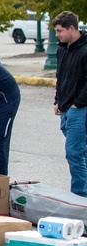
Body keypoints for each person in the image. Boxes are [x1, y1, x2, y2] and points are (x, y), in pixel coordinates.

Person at [53, 11, 87, 197]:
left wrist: (77, 104)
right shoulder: (62, 49)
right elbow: (60, 77)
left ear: (71, 28)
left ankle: (79, 197)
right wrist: (58, 100)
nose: (57, 35)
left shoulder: (84, 50)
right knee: (81, 152)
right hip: (65, 107)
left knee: (74, 153)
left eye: (59, 31)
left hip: (79, 108)